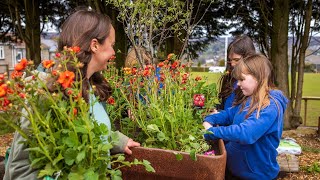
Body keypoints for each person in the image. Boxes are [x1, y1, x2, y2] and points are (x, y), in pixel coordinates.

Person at [4, 8, 140, 180]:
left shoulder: (91, 87)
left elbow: (92, 131)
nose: (114, 53)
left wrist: (117, 140)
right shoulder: (47, 92)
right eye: (111, 45)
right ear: (95, 45)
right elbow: (21, 168)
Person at [203, 54, 288, 179]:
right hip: (235, 168)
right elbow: (229, 114)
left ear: (258, 77)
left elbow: (246, 133)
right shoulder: (249, 99)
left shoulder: (270, 107)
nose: (237, 84)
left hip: (256, 175)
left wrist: (211, 132)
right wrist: (210, 119)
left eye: (242, 79)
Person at [217, 35, 256, 110]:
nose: (232, 64)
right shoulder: (230, 79)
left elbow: (240, 113)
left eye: (236, 60)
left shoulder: (254, 85)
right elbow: (226, 107)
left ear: (249, 58)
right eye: (230, 60)